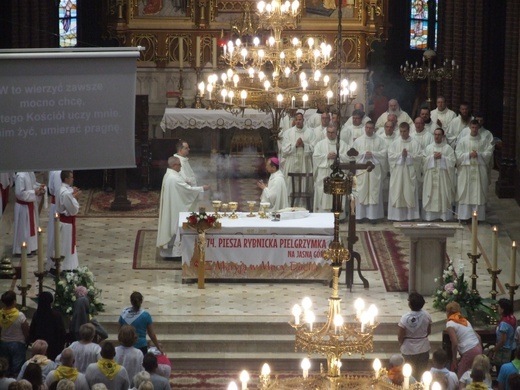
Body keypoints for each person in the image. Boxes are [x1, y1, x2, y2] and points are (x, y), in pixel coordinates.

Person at [156, 156, 209, 258]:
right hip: (175, 207)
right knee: (176, 226)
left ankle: (170, 250)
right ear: (174, 165)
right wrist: (202, 188)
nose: (181, 167)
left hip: (173, 204)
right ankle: (176, 253)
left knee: (172, 225)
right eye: (179, 165)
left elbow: (182, 185)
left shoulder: (169, 175)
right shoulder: (174, 178)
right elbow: (187, 190)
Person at [455, 119, 494, 221]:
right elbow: (458, 154)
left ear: (478, 128)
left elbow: (489, 153)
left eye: (476, 127)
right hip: (466, 171)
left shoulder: (483, 141)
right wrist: (468, 155)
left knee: (478, 193)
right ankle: (464, 216)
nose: (474, 129)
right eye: (472, 127)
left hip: (479, 170)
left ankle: (478, 218)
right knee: (465, 193)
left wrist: (479, 155)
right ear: (469, 127)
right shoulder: (463, 140)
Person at [351, 121, 387, 222]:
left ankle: (373, 217)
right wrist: (363, 154)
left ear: (374, 129)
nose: (368, 130)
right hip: (362, 171)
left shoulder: (380, 140)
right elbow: (353, 153)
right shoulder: (358, 141)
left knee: (373, 191)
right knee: (362, 191)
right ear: (364, 128)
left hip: (374, 171)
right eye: (367, 128)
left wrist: (373, 154)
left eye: (371, 128)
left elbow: (384, 153)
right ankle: (360, 216)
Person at [387, 122, 423, 221]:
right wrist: (400, 155)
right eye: (401, 131)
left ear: (409, 130)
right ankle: (397, 216)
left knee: (409, 192)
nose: (403, 133)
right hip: (398, 173)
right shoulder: (395, 143)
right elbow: (390, 157)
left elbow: (419, 157)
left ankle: (411, 216)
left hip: (409, 172)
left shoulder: (415, 143)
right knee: (397, 190)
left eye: (405, 131)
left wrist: (409, 155)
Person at [281, 112, 315, 205]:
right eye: (296, 119)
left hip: (305, 162)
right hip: (292, 161)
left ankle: (303, 206)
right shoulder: (288, 133)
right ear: (294, 121)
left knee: (305, 183)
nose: (298, 121)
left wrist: (304, 145)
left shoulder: (310, 133)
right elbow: (284, 149)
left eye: (300, 119)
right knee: (290, 184)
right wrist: (295, 145)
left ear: (303, 120)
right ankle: (289, 205)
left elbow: (314, 148)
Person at [422, 128, 456, 221]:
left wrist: (443, 158)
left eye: (439, 135)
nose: (437, 136)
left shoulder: (447, 148)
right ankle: (429, 216)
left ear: (443, 136)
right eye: (435, 134)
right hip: (431, 175)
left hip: (443, 177)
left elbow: (453, 162)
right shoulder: (429, 148)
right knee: (431, 193)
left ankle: (444, 216)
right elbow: (423, 161)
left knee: (443, 193)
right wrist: (432, 157)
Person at [312, 125, 348, 213]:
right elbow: (315, 157)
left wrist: (338, 156)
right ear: (326, 132)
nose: (331, 134)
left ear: (337, 133)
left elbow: (348, 158)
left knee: (337, 192)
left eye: (333, 132)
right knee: (324, 192)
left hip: (338, 175)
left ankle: (339, 215)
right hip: (324, 173)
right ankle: (322, 214)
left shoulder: (343, 144)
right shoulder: (320, 144)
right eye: (329, 132)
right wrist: (326, 156)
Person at [398, 293, 432, 377]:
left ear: (409, 304)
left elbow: (400, 335)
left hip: (408, 349)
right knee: (421, 374)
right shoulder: (427, 315)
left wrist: (401, 343)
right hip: (423, 347)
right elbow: (429, 331)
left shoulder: (404, 318)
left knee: (410, 375)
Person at [445, 301, 482, 378]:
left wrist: (454, 359)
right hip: (478, 347)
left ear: (448, 312)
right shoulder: (465, 321)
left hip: (469, 351)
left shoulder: (450, 323)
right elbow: (478, 337)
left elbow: (454, 343)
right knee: (474, 376)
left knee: (461, 377)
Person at [12, 172, 46, 255]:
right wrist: (34, 192)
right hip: (23, 207)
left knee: (31, 227)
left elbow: (32, 185)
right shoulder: (20, 176)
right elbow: (19, 193)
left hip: (29, 205)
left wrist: (39, 188)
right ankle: (21, 249)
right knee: (23, 229)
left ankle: (31, 247)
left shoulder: (29, 173)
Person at [28, 292, 66, 360]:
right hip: (54, 347)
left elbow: (32, 330)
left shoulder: (37, 314)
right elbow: (62, 332)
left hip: (40, 347)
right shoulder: (56, 315)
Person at [56, 170, 81, 271]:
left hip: (64, 222)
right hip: (66, 224)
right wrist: (75, 197)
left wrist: (72, 193)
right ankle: (67, 267)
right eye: (71, 177)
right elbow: (74, 209)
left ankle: (70, 265)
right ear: (66, 179)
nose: (73, 179)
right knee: (66, 245)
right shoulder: (65, 193)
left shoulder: (61, 189)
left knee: (65, 244)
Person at [0, 290, 29, 376]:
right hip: (18, 344)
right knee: (17, 369)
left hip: (3, 343)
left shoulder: (0, 314)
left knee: (4, 367)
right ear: (14, 301)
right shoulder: (20, 315)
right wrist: (27, 340)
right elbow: (25, 331)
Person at [490, 299, 517, 371]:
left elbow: (502, 341)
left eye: (499, 307)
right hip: (512, 348)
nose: (498, 308)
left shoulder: (504, 324)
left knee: (501, 371)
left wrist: (494, 350)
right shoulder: (512, 318)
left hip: (504, 352)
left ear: (503, 309)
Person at [173, 140, 199, 212]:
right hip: (184, 193)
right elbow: (184, 179)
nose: (189, 149)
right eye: (186, 148)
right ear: (180, 150)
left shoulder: (183, 159)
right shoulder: (178, 161)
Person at [46, 170, 61, 272]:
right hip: (58, 205)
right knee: (55, 233)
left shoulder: (54, 170)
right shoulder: (57, 172)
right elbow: (56, 191)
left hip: (57, 204)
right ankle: (53, 263)